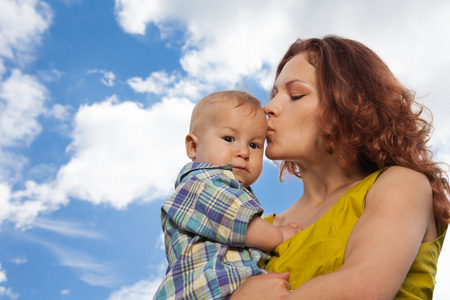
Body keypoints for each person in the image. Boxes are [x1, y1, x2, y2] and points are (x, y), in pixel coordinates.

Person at [231, 36, 449, 299]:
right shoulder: (256, 227)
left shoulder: (401, 184)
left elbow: (364, 289)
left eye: (296, 95)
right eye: (275, 94)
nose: (268, 107)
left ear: (348, 105)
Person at [154, 90, 301, 299]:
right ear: (193, 146)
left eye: (254, 144)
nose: (243, 152)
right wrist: (281, 234)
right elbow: (244, 225)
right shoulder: (201, 184)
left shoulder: (227, 188)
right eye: (229, 138)